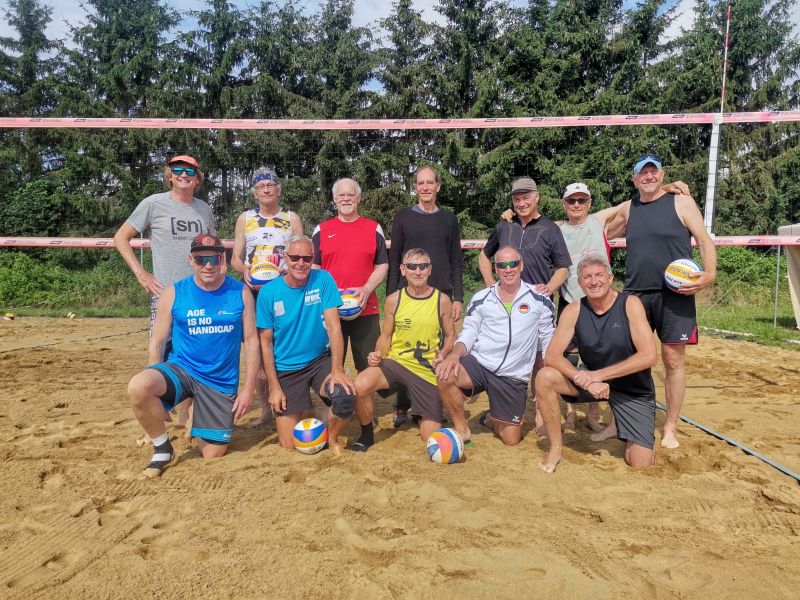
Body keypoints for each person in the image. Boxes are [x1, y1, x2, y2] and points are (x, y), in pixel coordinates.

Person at [127, 234, 258, 479]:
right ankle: (162, 449)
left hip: (219, 381)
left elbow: (251, 342)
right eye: (201, 259)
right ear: (191, 259)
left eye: (214, 258)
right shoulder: (174, 292)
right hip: (182, 369)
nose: (208, 265)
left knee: (212, 454)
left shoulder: (241, 292)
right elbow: (157, 342)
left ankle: (200, 415)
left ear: (223, 260)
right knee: (139, 386)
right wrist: (156, 380)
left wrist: (248, 389)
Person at [608, 154, 717, 449]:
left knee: (672, 361)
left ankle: (670, 427)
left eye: (654, 172)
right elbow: (596, 228)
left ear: (662, 175)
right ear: (634, 179)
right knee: (626, 359)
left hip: (675, 294)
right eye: (643, 173)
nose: (649, 177)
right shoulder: (629, 208)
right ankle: (618, 421)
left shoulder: (680, 202)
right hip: (636, 295)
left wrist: (709, 274)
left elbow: (705, 241)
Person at [115, 154, 216, 432]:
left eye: (190, 171)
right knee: (158, 352)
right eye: (178, 170)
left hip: (200, 294)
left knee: (196, 355)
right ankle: (155, 419)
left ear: (198, 178)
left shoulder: (203, 209)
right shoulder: (153, 204)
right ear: (169, 175)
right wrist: (141, 274)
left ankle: (186, 417)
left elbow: (211, 248)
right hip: (166, 295)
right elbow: (120, 238)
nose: (184, 175)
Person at [436, 246, 560, 470]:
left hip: (513, 375)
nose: (508, 269)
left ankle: (493, 418)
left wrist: (547, 376)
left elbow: (548, 342)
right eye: (502, 265)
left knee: (511, 440)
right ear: (496, 269)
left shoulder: (539, 299)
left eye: (513, 264)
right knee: (445, 374)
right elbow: (469, 333)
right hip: (481, 364)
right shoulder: (482, 298)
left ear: (521, 266)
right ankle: (462, 428)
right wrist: (454, 354)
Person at [536, 255, 658, 469]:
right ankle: (556, 449)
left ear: (610, 278)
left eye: (599, 275)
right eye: (587, 277)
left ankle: (624, 428)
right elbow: (552, 356)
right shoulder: (574, 310)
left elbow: (649, 356)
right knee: (545, 377)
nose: (594, 281)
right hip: (591, 384)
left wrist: (598, 376)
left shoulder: (630, 304)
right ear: (580, 283)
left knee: (640, 463)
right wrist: (584, 379)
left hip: (633, 389)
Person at [478, 177, 571, 436]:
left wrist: (550, 287)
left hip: (537, 306)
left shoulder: (550, 229)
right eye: (517, 198)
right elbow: (484, 256)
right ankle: (498, 411)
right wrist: (489, 284)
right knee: (502, 356)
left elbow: (562, 266)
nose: (521, 202)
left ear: (537, 197)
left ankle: (542, 415)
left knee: (541, 362)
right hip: (505, 305)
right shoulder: (503, 226)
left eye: (526, 197)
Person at [344, 249, 456, 452]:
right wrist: (378, 353)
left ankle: (422, 409)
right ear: (403, 270)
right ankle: (367, 434)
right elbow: (385, 336)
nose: (418, 271)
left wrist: (445, 351)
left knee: (430, 438)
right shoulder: (394, 300)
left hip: (425, 370)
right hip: (396, 363)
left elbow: (450, 336)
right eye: (412, 266)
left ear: (429, 269)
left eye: (423, 266)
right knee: (360, 384)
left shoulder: (442, 300)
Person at [256, 235, 355, 452]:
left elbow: (334, 326)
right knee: (290, 445)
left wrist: (337, 370)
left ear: (312, 259)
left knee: (345, 398)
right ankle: (304, 405)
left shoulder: (323, 279)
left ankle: (332, 437)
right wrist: (274, 387)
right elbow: (266, 344)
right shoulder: (268, 293)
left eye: (307, 258)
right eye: (295, 257)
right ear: (285, 258)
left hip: (319, 361)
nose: (301, 263)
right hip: (287, 369)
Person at [387, 166, 463, 426]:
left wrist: (458, 297)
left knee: (436, 352)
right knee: (402, 350)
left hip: (440, 295)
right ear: (415, 187)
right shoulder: (403, 217)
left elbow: (456, 259)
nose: (426, 187)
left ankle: (428, 404)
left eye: (430, 182)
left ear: (438, 186)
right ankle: (402, 405)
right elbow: (395, 255)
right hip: (408, 295)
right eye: (421, 183)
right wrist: (393, 294)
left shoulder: (449, 219)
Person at [231, 168, 303, 427]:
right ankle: (265, 409)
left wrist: (289, 270)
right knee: (258, 350)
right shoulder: (245, 218)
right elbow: (235, 258)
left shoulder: (291, 217)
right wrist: (245, 271)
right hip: (254, 290)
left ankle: (291, 398)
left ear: (278, 189)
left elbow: (300, 251)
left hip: (283, 287)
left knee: (285, 344)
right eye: (260, 186)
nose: (266, 189)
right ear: (254, 192)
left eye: (270, 184)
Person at [312, 178, 389, 373]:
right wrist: (326, 293)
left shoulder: (373, 228)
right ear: (334, 199)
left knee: (369, 367)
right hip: (330, 309)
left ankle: (365, 401)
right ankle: (335, 403)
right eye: (341, 195)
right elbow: (314, 267)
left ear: (358, 198)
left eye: (351, 195)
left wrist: (366, 289)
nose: (346, 199)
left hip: (365, 307)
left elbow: (382, 266)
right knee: (329, 367)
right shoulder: (322, 229)